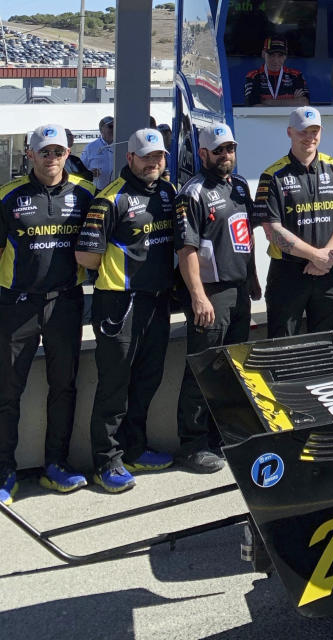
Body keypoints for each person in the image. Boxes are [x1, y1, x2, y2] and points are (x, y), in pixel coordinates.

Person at [75, 129, 177, 493]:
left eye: (159, 156)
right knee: (114, 386)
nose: (154, 163)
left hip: (158, 299)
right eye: (146, 157)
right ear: (130, 158)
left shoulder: (168, 193)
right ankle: (107, 461)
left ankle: (135, 448)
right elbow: (87, 256)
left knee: (147, 379)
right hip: (119, 303)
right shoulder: (109, 199)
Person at [0, 124, 96, 505]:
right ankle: (5, 469)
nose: (52, 158)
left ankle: (56, 464)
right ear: (30, 155)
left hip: (65, 303)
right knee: (8, 391)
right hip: (16, 305)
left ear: (68, 153)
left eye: (58, 151)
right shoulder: (8, 196)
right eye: (44, 151)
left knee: (64, 386)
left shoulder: (85, 193)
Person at [174, 124, 261, 474]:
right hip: (210, 294)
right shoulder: (192, 193)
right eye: (219, 150)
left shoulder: (239, 186)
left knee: (233, 370)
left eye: (230, 149)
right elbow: (186, 249)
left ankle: (224, 436)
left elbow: (246, 237)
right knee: (202, 369)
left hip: (239, 290)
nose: (226, 156)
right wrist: (198, 296)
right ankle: (192, 445)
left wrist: (253, 278)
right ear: (204, 153)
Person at [254, 107, 333, 338]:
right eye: (303, 132)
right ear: (290, 132)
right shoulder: (272, 175)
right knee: (283, 345)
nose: (310, 137)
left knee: (327, 345)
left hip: (329, 271)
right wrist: (314, 256)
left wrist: (326, 256)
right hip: (288, 273)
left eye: (314, 131)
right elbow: (272, 229)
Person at [243, 38, 310, 107]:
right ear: (263, 54)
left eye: (280, 55)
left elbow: (304, 103)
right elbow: (253, 105)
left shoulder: (296, 75)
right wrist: (292, 101)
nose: (275, 60)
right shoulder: (253, 76)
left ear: (285, 56)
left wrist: (268, 102)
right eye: (271, 55)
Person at [81, 116, 115, 191]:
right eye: (110, 126)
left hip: (117, 191)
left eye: (116, 126)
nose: (114, 129)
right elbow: (81, 170)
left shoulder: (121, 145)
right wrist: (90, 173)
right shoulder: (90, 147)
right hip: (96, 190)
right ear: (101, 129)